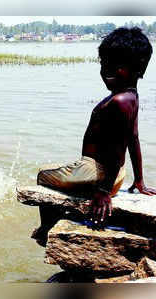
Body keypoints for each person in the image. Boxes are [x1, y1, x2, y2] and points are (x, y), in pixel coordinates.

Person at [35, 27, 156, 244]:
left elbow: (118, 149)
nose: (106, 70)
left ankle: (46, 229)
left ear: (137, 69)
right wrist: (139, 180)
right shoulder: (131, 97)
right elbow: (133, 138)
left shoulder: (119, 102)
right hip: (117, 175)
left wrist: (103, 191)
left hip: (95, 174)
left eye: (115, 66)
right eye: (104, 64)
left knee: (42, 176)